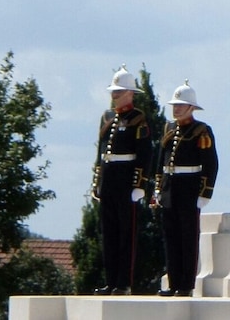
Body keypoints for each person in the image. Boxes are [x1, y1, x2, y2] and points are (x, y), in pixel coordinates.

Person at [90, 65, 153, 296]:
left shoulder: (138, 119)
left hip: (126, 179)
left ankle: (123, 282)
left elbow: (145, 154)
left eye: (119, 91)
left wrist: (139, 184)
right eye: (113, 91)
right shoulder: (107, 117)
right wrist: (97, 181)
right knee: (109, 233)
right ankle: (111, 280)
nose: (114, 95)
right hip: (109, 178)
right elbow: (101, 152)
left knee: (126, 233)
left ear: (130, 93)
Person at [153, 80, 218, 297]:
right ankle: (172, 282)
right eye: (175, 105)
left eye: (181, 105)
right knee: (170, 237)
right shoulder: (169, 128)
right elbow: (161, 160)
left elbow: (210, 164)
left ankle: (186, 285)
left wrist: (205, 192)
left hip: (189, 187)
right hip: (170, 187)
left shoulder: (201, 131)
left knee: (188, 237)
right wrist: (158, 188)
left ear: (191, 108)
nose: (176, 108)